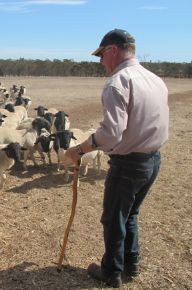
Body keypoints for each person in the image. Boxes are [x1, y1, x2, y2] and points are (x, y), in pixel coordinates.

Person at [65, 29, 169, 288]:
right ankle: (131, 265)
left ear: (112, 50)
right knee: (130, 214)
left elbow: (111, 135)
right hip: (152, 159)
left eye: (101, 55)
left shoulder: (118, 82)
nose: (100, 61)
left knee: (113, 218)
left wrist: (79, 150)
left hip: (128, 164)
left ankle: (111, 271)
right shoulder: (154, 79)